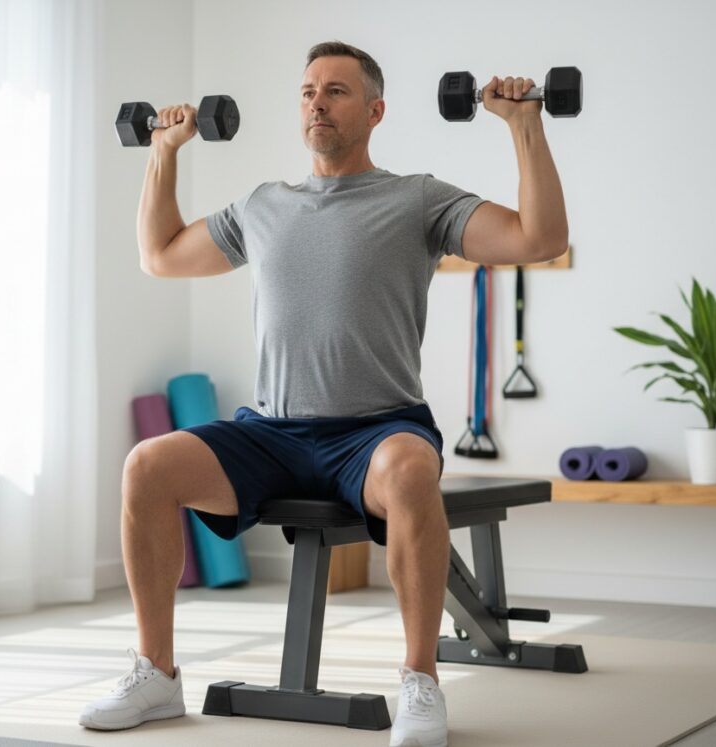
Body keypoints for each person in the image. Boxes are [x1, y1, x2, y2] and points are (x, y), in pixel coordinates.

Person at [80, 40, 568, 747]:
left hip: (375, 432)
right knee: (146, 467)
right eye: (308, 91)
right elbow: (160, 255)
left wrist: (525, 126)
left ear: (375, 111)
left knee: (409, 469)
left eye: (336, 91)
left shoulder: (418, 199)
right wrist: (165, 150)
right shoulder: (262, 206)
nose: (317, 102)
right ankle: (155, 674)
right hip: (271, 432)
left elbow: (540, 237)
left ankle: (420, 682)